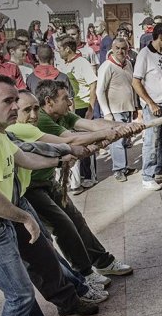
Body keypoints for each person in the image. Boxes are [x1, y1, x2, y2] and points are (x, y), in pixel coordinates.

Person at [0, 91, 101, 316]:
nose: (16, 108)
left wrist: (61, 160)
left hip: (7, 210)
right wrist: (26, 218)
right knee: (7, 292)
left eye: (15, 101)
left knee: (43, 259)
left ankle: (68, 301)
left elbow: (23, 155)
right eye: (8, 102)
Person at [23, 79, 139, 283]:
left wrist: (127, 126)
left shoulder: (61, 114)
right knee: (62, 226)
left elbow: (93, 124)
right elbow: (72, 140)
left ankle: (102, 262)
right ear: (49, 101)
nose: (70, 103)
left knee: (76, 221)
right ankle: (83, 273)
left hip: (48, 181)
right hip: (31, 187)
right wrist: (111, 133)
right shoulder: (39, 120)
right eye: (65, 98)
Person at [132, 23, 162, 191]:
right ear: (160, 36)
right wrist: (151, 103)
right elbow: (136, 82)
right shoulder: (144, 55)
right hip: (154, 107)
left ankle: (160, 171)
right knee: (151, 142)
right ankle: (147, 176)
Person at [54, 35, 98, 190]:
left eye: (59, 48)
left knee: (87, 142)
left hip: (83, 107)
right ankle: (77, 177)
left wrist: (91, 109)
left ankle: (90, 176)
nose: (57, 51)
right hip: (68, 109)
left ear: (67, 48)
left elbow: (93, 85)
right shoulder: (62, 64)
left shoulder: (82, 63)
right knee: (74, 142)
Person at [96, 38, 138, 182]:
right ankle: (119, 169)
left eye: (123, 49)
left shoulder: (128, 64)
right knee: (117, 142)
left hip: (127, 108)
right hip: (114, 111)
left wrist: (135, 107)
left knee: (125, 140)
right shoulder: (107, 66)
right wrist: (107, 113)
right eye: (117, 48)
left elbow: (132, 87)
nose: (120, 51)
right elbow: (100, 91)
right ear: (112, 49)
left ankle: (124, 167)